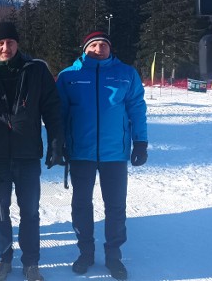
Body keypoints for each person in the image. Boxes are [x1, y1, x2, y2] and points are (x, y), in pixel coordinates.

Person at [0, 22, 64, 281]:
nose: (5, 47)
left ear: (17, 44)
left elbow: (52, 110)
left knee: (29, 210)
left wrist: (56, 143)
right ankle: (4, 258)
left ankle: (31, 262)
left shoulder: (36, 70)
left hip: (27, 154)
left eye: (9, 41)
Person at [56, 31, 148, 280]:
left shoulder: (126, 74)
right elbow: (59, 114)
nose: (99, 49)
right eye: (93, 45)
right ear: (84, 49)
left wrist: (141, 142)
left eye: (103, 45)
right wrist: (58, 144)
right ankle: (85, 253)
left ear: (110, 48)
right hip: (81, 153)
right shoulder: (69, 76)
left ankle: (113, 256)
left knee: (116, 206)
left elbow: (137, 108)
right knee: (81, 204)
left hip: (114, 154)